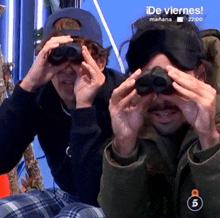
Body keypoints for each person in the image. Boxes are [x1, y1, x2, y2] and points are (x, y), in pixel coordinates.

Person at [0, 7, 124, 217]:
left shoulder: (119, 97)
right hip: (67, 195)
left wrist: (84, 108)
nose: (67, 69)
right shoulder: (41, 95)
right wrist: (28, 85)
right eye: (57, 56)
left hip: (116, 203)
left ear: (100, 62)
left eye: (77, 56)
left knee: (73, 215)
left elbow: (92, 192)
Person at [96, 13, 220, 217]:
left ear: (200, 76)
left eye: (172, 80)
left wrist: (209, 140)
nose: (160, 98)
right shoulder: (136, 124)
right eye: (148, 82)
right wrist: (125, 147)